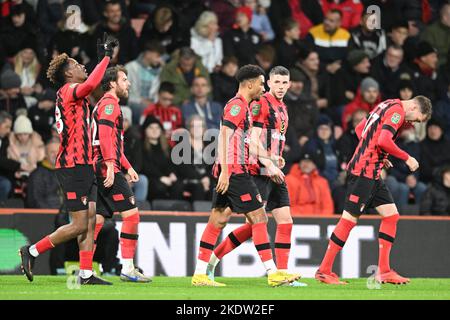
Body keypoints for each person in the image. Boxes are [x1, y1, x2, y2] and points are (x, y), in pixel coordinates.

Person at [18, 34, 116, 285]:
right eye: (75, 64)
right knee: (79, 224)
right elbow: (91, 83)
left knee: (91, 219)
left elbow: (92, 85)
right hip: (73, 166)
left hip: (84, 164)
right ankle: (32, 251)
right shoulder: (70, 90)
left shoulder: (76, 94)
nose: (80, 66)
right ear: (68, 74)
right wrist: (105, 58)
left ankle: (85, 274)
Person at [191, 64, 299, 287]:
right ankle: (273, 273)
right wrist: (226, 171)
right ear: (250, 84)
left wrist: (270, 157)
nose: (263, 87)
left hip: (233, 170)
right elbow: (223, 136)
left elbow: (247, 141)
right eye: (262, 83)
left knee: (218, 220)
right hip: (236, 171)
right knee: (259, 218)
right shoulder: (237, 105)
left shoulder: (246, 106)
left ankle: (200, 274)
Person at [315, 95, 432, 285]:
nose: (411, 122)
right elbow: (384, 140)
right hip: (363, 173)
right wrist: (406, 157)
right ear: (415, 108)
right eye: (416, 119)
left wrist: (376, 152)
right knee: (348, 220)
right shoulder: (397, 112)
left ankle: (384, 271)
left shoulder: (387, 103)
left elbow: (361, 128)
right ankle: (324, 270)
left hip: (372, 172)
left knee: (391, 215)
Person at [90, 65, 151, 283]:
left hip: (101, 166)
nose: (129, 83)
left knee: (96, 220)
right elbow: (105, 137)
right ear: (113, 83)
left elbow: (115, 144)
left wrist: (128, 166)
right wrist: (110, 166)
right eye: (124, 79)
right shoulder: (109, 104)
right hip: (106, 167)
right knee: (132, 215)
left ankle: (85, 270)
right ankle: (127, 268)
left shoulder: (107, 104)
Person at [141, 116, 183, 201]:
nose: (154, 130)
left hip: (166, 177)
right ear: (145, 130)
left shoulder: (166, 147)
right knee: (159, 187)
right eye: (151, 128)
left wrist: (172, 173)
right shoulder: (141, 146)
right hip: (151, 178)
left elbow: (171, 164)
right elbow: (145, 167)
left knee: (178, 186)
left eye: (157, 128)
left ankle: (174, 211)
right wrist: (160, 177)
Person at [125, 41, 165, 122]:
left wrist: (164, 69)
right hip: (133, 103)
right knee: (142, 109)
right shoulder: (130, 67)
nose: (160, 60)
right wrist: (141, 100)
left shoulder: (160, 70)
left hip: (153, 104)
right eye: (157, 56)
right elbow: (124, 92)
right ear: (148, 54)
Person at [26, 138, 60, 208]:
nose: (56, 154)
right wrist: (52, 213)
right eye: (52, 152)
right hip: (47, 215)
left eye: (58, 151)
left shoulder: (70, 173)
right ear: (46, 155)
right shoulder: (37, 175)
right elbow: (35, 200)